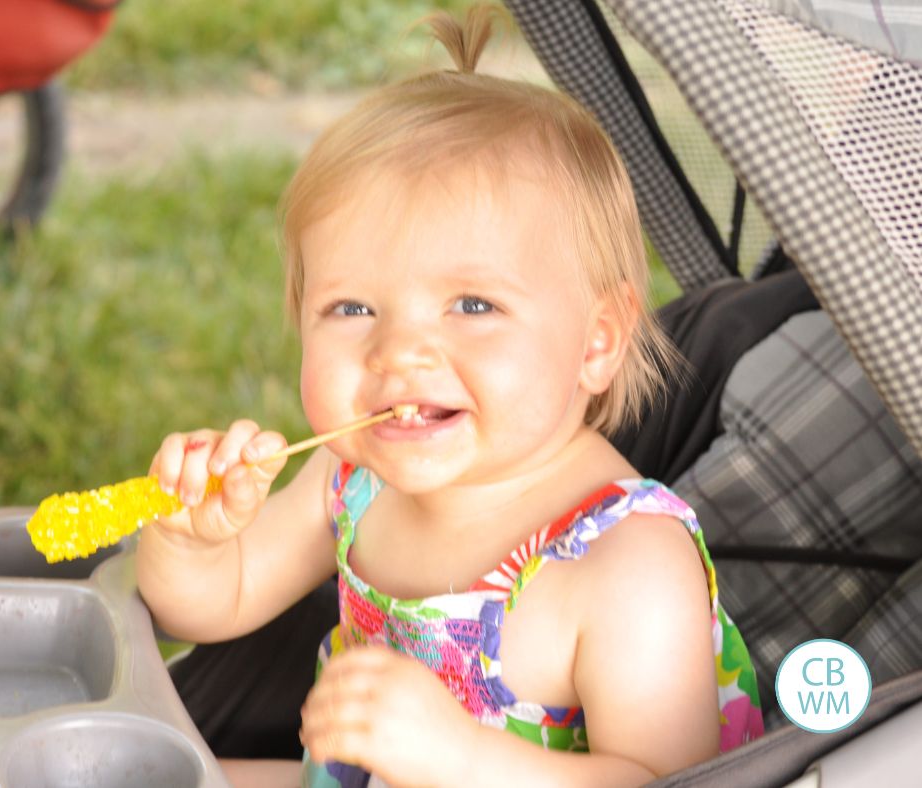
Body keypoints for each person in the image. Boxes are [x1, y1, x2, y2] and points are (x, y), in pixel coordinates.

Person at [137, 5, 763, 786]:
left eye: (473, 306)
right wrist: (187, 542)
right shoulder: (356, 482)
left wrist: (461, 759)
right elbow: (214, 604)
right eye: (352, 308)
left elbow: (670, 782)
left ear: (596, 342)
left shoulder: (625, 563)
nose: (397, 351)